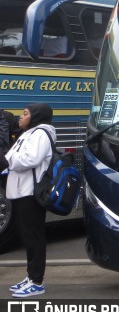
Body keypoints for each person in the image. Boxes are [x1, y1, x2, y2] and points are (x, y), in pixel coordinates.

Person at [0, 103, 56, 298]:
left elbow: (29, 159)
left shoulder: (40, 134)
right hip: (22, 191)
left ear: (36, 117)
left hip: (31, 193)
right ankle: (31, 277)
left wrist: (9, 160)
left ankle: (36, 281)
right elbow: (12, 156)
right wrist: (9, 159)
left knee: (34, 237)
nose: (20, 118)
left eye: (24, 114)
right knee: (27, 236)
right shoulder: (30, 133)